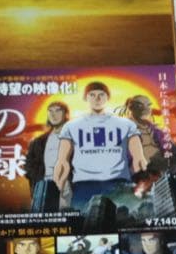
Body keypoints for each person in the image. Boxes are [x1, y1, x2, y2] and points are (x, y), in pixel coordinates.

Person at [53, 82, 147, 210]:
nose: (97, 99)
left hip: (118, 184)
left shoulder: (126, 125)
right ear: (86, 98)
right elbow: (62, 161)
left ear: (107, 97)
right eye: (92, 95)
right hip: (84, 186)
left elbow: (139, 159)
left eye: (101, 95)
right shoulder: (71, 126)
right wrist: (57, 187)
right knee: (83, 221)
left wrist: (141, 179)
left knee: (124, 219)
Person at [24, 102, 70, 208]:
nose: (53, 114)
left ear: (66, 114)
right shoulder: (38, 142)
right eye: (50, 111)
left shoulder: (75, 137)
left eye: (58, 110)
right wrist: (39, 181)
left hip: (68, 189)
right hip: (45, 188)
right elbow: (28, 166)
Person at [123, 94, 176, 173]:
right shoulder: (126, 130)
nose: (146, 109)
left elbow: (173, 150)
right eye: (140, 106)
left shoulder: (153, 129)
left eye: (148, 105)